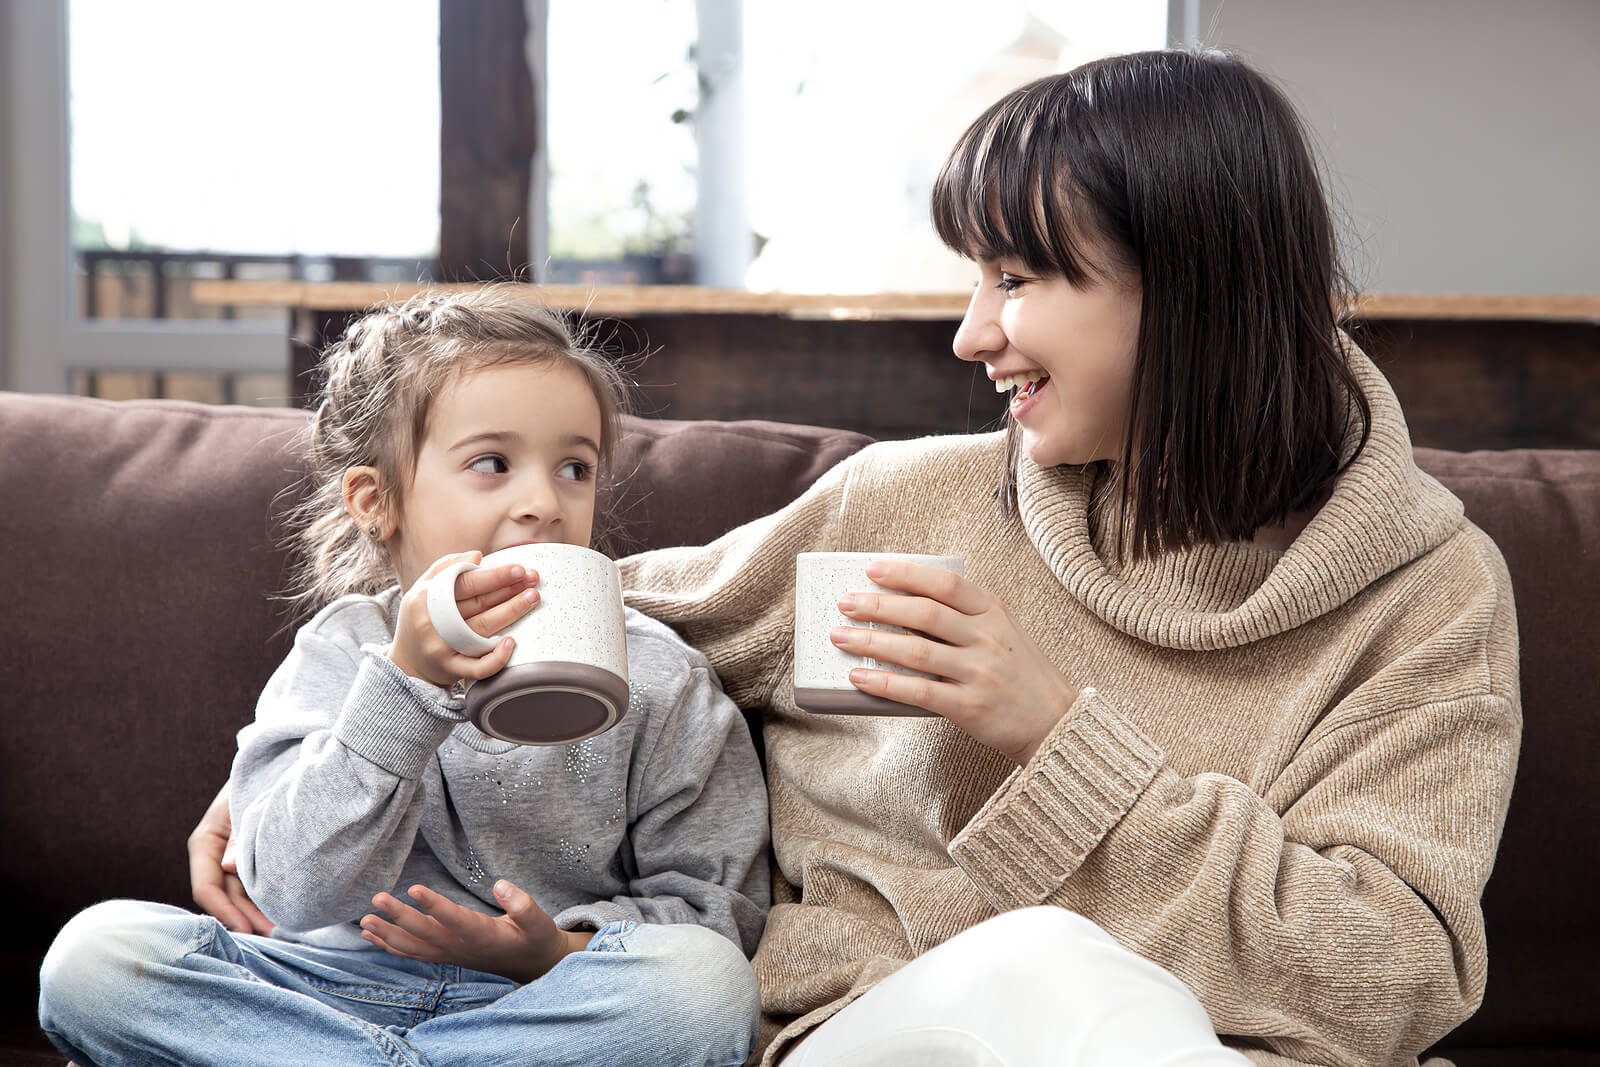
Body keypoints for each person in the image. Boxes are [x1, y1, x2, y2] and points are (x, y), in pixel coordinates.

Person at [182, 49, 1520, 1067]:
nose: (968, 332)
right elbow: (548, 605)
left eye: (1015, 277)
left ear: (1190, 283)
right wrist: (300, 774)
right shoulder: (906, 505)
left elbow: (1395, 975)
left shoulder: (1425, 593)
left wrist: (1054, 736)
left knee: (1066, 973)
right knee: (1040, 962)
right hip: (877, 1032)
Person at [39, 286, 770, 1067]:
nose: (543, 502)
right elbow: (291, 889)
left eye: (575, 467)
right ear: (377, 499)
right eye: (492, 462)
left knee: (707, 986)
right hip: (316, 989)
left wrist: (554, 948)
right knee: (94, 957)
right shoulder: (339, 649)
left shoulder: (659, 671)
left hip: (535, 1005)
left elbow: (715, 905)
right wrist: (405, 687)